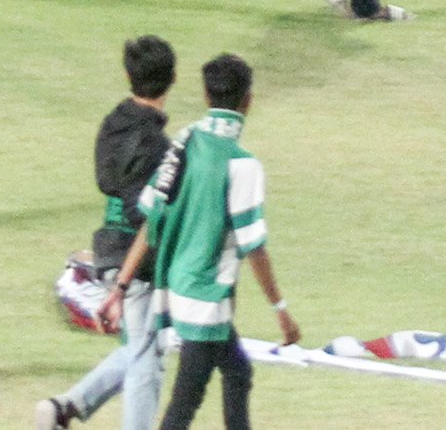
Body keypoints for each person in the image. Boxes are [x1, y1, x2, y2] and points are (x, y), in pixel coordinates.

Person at [110, 51, 301, 430]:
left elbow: (152, 221)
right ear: (248, 100)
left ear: (205, 95)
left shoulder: (183, 141)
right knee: (185, 402)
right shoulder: (242, 165)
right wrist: (280, 308)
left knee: (238, 372)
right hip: (206, 299)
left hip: (178, 288)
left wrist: (120, 284)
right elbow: (254, 247)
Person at [35, 36, 181, 430]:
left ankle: (65, 408)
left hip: (107, 246)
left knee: (142, 348)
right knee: (146, 362)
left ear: (127, 76)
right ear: (173, 79)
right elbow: (145, 213)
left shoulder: (112, 124)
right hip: (136, 258)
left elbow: (109, 183)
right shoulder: (158, 146)